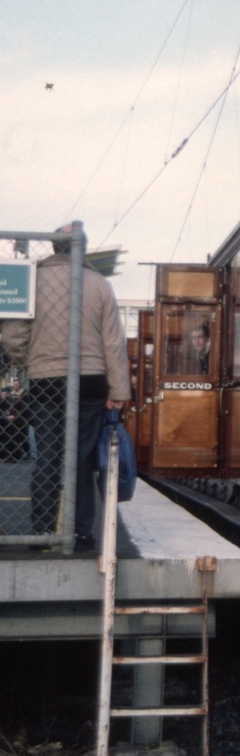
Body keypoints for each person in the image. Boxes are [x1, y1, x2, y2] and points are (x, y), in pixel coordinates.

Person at [0, 225, 131, 551]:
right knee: (83, 459)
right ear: (81, 250)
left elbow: (12, 335)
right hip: (90, 381)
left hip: (46, 382)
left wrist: (32, 361)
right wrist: (119, 392)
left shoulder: (34, 281)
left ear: (53, 248)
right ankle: (81, 533)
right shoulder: (100, 285)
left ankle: (43, 531)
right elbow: (113, 344)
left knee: (47, 455)